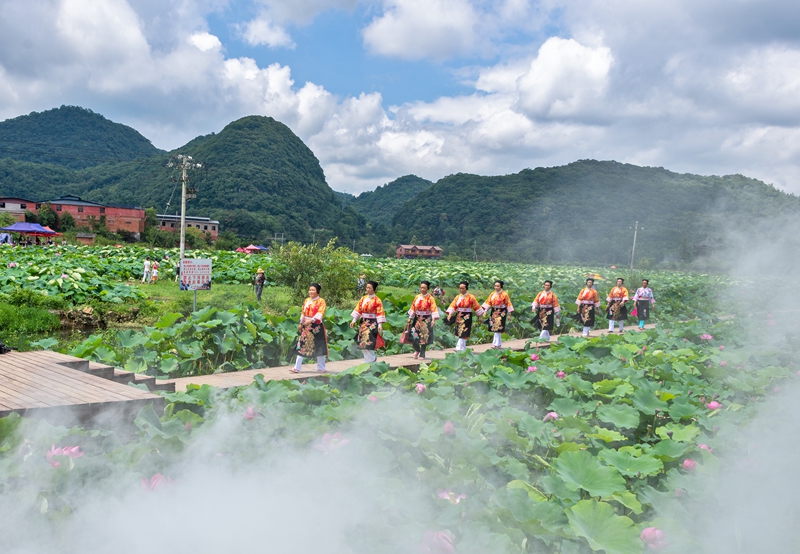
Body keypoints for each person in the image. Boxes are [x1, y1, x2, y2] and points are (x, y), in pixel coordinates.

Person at [292, 283, 328, 373]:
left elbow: (320, 313)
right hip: (306, 326)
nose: (311, 292)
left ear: (317, 291)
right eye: (310, 290)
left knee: (319, 345)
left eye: (313, 290)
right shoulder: (307, 300)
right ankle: (297, 367)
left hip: (316, 326)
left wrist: (311, 320)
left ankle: (321, 367)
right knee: (302, 344)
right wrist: (301, 323)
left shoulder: (321, 301)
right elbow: (303, 312)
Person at [350, 280, 386, 363]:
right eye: (367, 287)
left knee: (370, 341)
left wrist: (380, 325)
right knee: (362, 342)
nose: (368, 289)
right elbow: (358, 309)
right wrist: (354, 320)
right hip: (363, 322)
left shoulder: (377, 300)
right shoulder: (363, 298)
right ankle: (366, 360)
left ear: (374, 289)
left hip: (372, 323)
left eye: (369, 288)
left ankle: (372, 359)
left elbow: (380, 313)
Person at [446, 281, 484, 352]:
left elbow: (476, 307)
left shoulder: (471, 297)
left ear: (466, 288)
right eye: (460, 288)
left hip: (467, 316)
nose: (461, 290)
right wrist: (450, 314)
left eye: (462, 288)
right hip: (459, 315)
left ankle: (458, 347)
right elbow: (453, 305)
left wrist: (479, 316)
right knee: (460, 331)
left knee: (464, 331)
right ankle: (463, 348)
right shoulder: (457, 297)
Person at [407, 280, 439, 360]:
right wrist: (410, 318)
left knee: (424, 336)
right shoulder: (417, 297)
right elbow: (413, 308)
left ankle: (422, 353)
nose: (422, 289)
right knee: (414, 334)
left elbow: (433, 309)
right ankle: (417, 349)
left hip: (426, 318)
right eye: (421, 287)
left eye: (424, 288)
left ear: (427, 288)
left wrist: (433, 320)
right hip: (417, 318)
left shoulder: (430, 298)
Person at [482, 280, 514, 348]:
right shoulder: (492, 294)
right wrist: (485, 311)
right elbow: (488, 302)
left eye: (498, 286)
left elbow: (508, 303)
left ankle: (495, 344)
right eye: (495, 286)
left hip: (501, 312)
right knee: (495, 328)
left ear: (501, 286)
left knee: (497, 327)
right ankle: (498, 344)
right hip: (494, 311)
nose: (496, 287)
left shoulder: (504, 294)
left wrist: (509, 314)